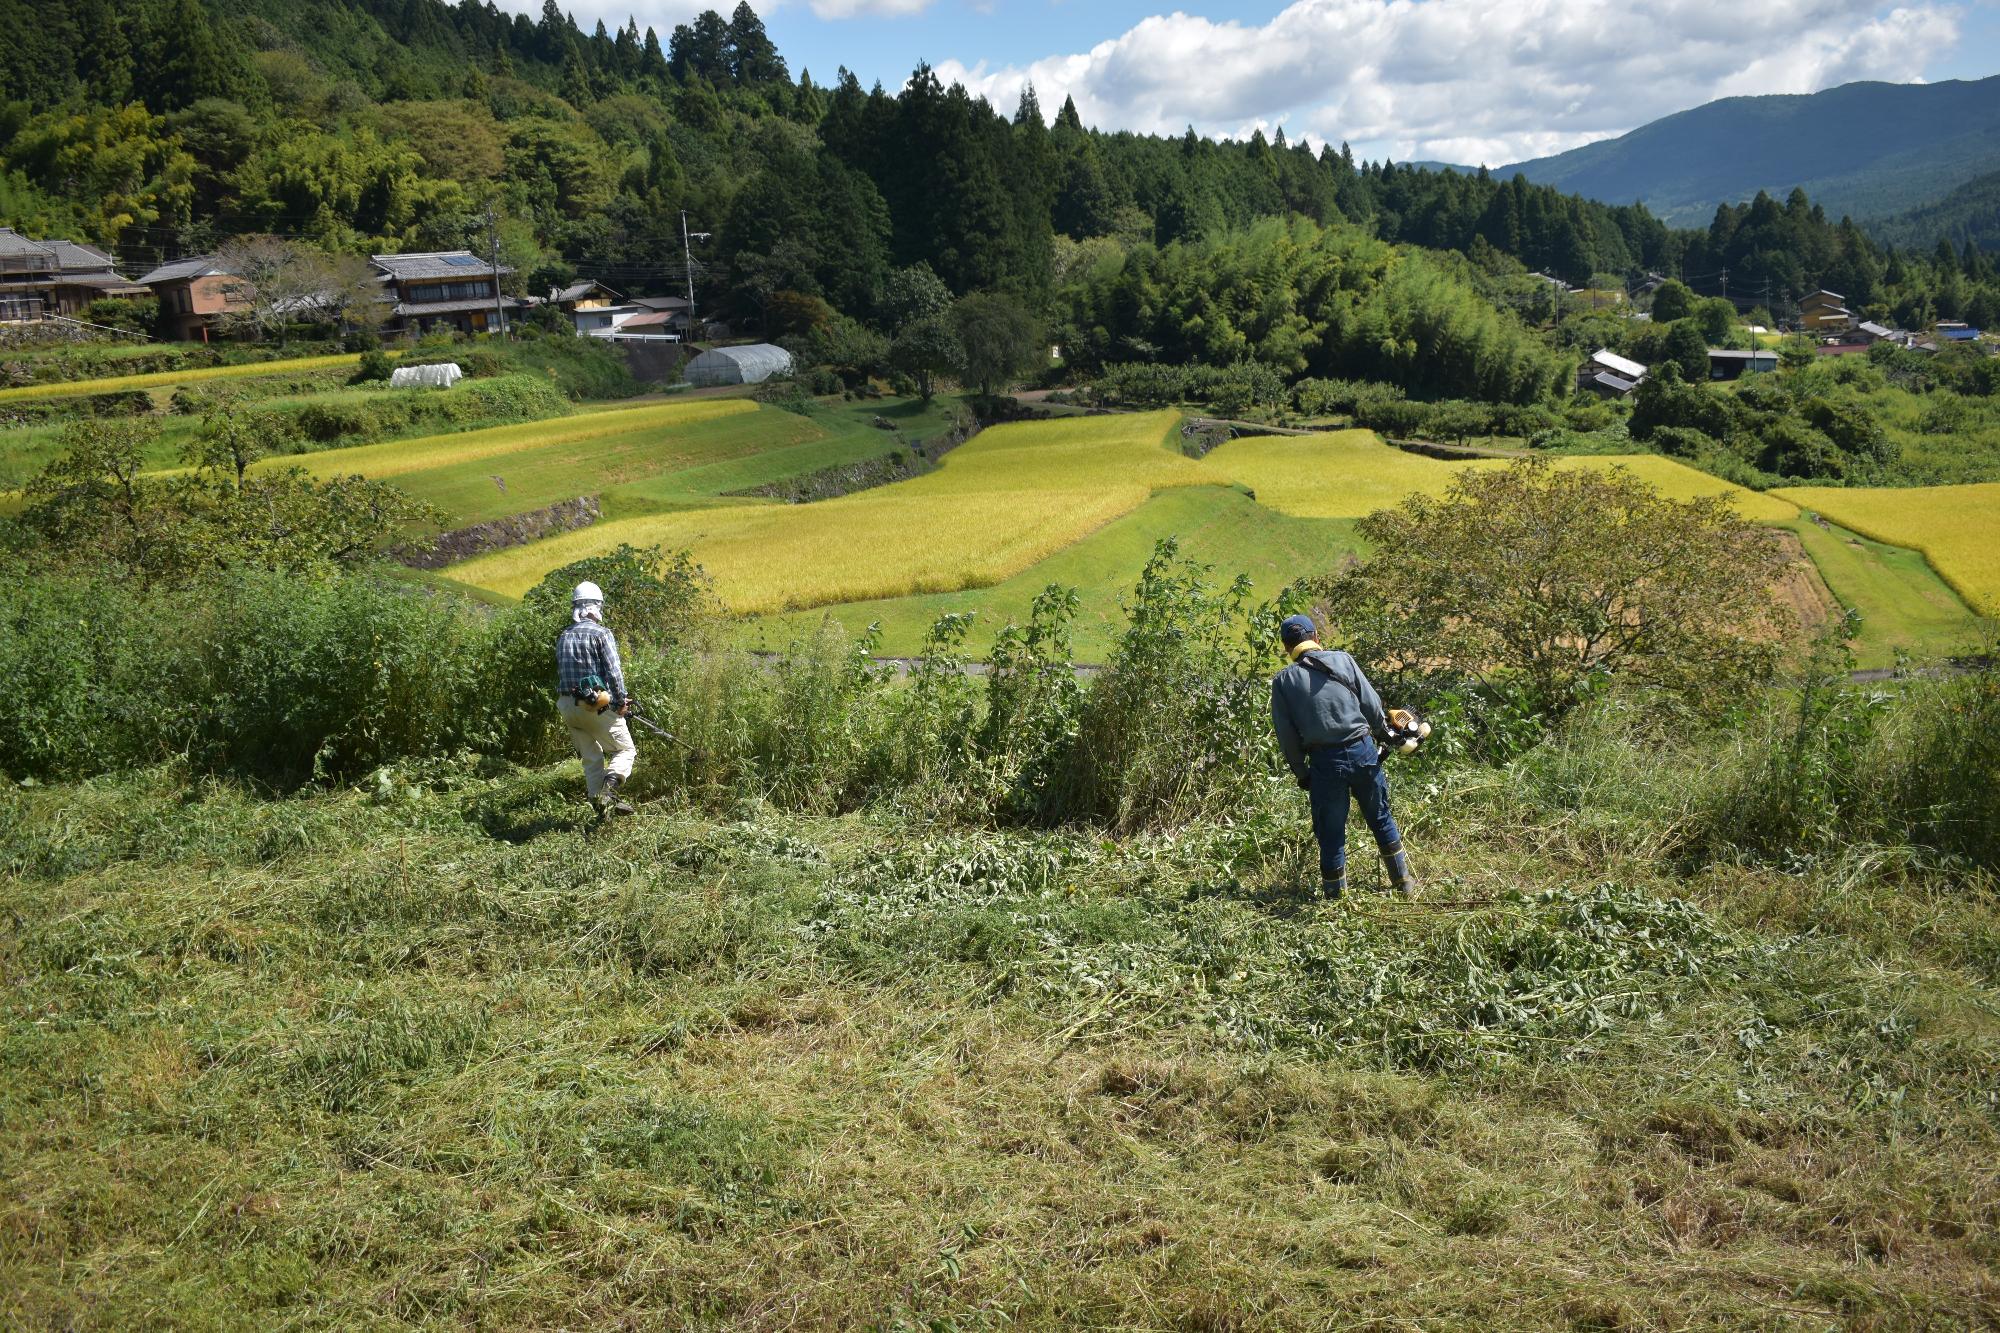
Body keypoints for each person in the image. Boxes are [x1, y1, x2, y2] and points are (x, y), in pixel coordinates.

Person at [1269, 613, 1415, 900]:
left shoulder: (1283, 681)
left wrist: (1302, 773)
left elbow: (1287, 737)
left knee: (1331, 832)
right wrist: (1383, 735)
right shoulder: (1344, 660)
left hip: (1325, 763)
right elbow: (1372, 705)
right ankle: (1403, 884)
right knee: (1380, 817)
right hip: (1362, 751)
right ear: (1316, 638)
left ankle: (1336, 901)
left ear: (1287, 648)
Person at [555, 580, 638, 816]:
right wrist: (620, 702)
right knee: (625, 750)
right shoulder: (602, 634)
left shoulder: (563, 636)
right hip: (594, 706)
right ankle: (609, 791)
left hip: (567, 705)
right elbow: (614, 672)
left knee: (592, 758)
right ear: (596, 607)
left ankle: (600, 809)